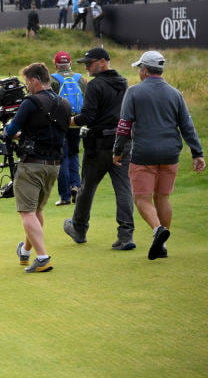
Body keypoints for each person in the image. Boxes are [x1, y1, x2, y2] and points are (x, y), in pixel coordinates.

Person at [112, 51, 205, 260]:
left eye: (139, 69)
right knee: (163, 197)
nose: (139, 72)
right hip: (171, 152)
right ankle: (161, 246)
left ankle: (157, 231)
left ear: (145, 70)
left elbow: (124, 125)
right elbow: (187, 125)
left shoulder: (134, 92)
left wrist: (117, 151)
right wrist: (197, 152)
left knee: (142, 198)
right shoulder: (175, 93)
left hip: (144, 153)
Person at [62, 47, 134, 249]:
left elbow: (87, 117)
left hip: (99, 144)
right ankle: (126, 235)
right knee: (123, 188)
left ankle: (79, 228)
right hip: (122, 142)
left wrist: (65, 121)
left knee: (87, 187)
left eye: (89, 62)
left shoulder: (95, 85)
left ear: (103, 62)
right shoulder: (123, 82)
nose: (86, 66)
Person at [3, 63, 71, 273]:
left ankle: (42, 257)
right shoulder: (64, 103)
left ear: (34, 80)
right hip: (54, 165)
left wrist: (9, 129)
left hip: (32, 164)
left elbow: (10, 130)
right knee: (37, 210)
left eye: (27, 82)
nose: (27, 87)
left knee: (27, 212)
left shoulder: (30, 102)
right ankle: (25, 251)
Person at [49, 51, 86, 206]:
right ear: (70, 63)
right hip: (77, 122)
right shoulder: (81, 79)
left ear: (56, 64)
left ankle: (64, 196)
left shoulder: (52, 79)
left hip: (60, 123)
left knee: (61, 157)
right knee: (74, 154)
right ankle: (75, 186)